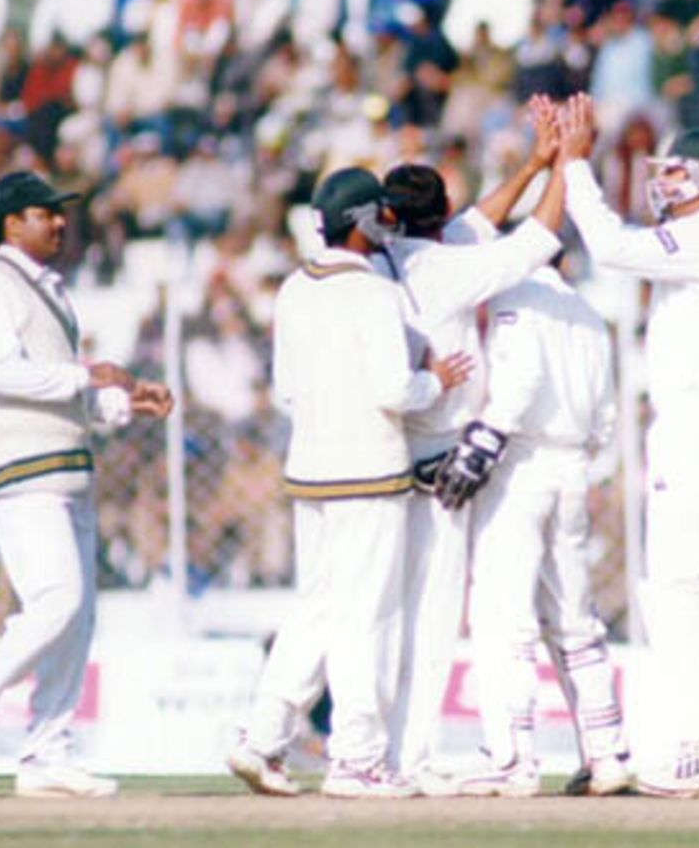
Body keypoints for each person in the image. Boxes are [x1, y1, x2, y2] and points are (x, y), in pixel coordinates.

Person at [226, 167, 472, 799]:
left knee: (320, 608)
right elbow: (398, 392)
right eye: (382, 213)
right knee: (369, 616)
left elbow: (284, 389)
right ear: (364, 221)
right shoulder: (376, 296)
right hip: (369, 472)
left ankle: (261, 737)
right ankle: (358, 758)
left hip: (311, 469)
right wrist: (438, 381)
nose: (391, 222)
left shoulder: (293, 289)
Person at [0, 171, 174, 798]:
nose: (61, 222)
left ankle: (46, 752)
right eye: (47, 213)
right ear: (13, 222)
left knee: (78, 617)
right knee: (57, 601)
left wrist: (122, 403)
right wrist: (88, 374)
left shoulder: (53, 290)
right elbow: (2, 374)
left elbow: (68, 394)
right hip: (21, 470)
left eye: (61, 213)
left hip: (67, 467)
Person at [557, 94, 699, 797]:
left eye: (675, 171)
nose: (664, 180)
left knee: (677, 585)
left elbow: (612, 248)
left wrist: (575, 167)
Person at [380, 96, 571, 793]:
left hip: (391, 450)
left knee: (389, 609)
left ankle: (379, 751)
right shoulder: (447, 268)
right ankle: (410, 757)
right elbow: (537, 239)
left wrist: (535, 162)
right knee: (430, 618)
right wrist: (568, 168)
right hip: (436, 456)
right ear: (439, 210)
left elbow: (480, 222)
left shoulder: (397, 254)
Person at [443, 233, 631, 798]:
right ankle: (607, 754)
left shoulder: (515, 297)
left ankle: (511, 758)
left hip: (521, 460)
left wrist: (484, 438)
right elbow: (604, 416)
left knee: (503, 614)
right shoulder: (587, 312)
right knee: (575, 617)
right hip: (573, 463)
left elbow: (520, 378)